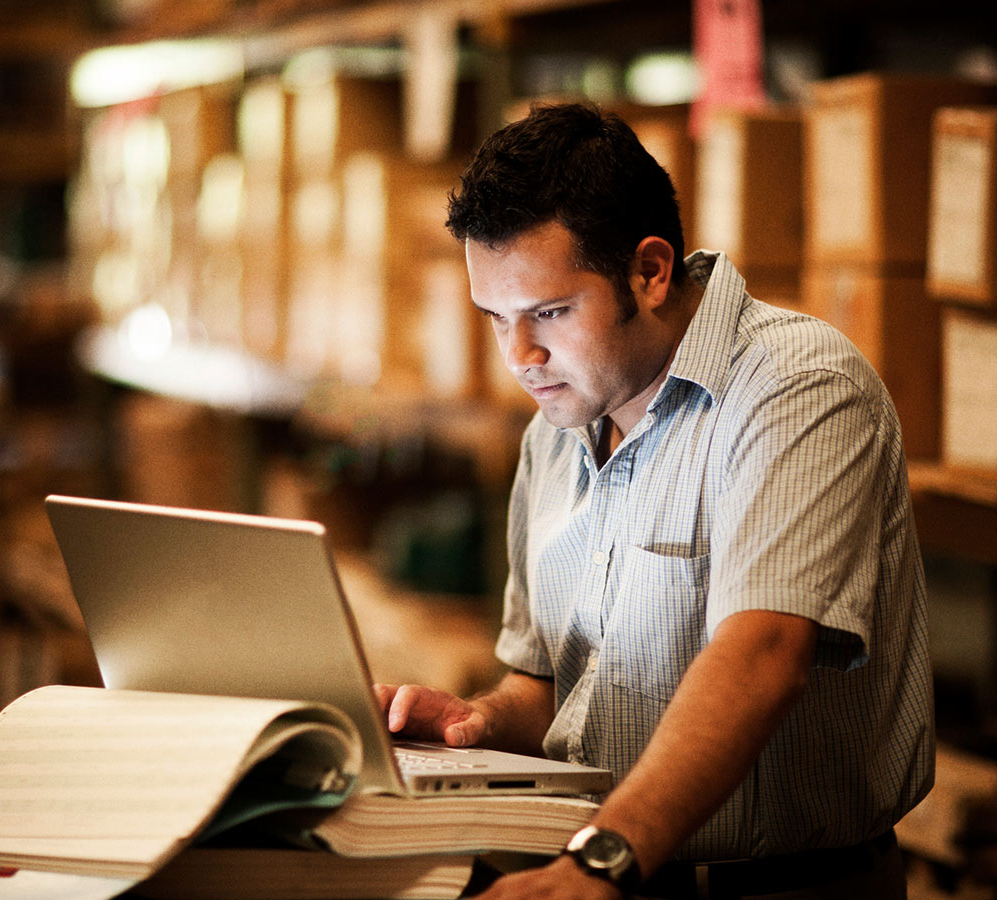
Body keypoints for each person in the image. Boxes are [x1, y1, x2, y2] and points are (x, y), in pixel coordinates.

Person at [374, 102, 934, 900]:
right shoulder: (557, 428)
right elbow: (550, 686)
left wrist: (602, 859)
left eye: (551, 313)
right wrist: (476, 725)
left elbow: (764, 655)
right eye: (496, 318)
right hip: (610, 871)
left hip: (772, 887)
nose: (521, 357)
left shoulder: (797, 390)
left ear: (650, 270)